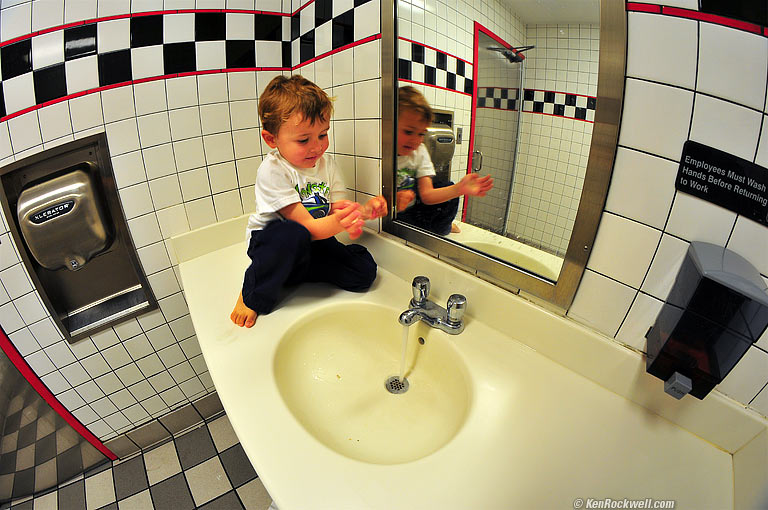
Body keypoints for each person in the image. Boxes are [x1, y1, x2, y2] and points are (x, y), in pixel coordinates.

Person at [230, 75, 388, 328]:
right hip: (273, 242)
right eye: (304, 140)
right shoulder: (273, 170)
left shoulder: (328, 165)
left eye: (323, 135)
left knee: (363, 274)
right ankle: (253, 289)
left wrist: (363, 212)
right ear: (272, 140)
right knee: (292, 234)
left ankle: (296, 271)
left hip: (314, 240)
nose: (317, 147)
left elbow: (338, 209)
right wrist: (341, 221)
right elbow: (306, 227)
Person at [395, 86, 493, 235]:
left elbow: (427, 195)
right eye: (408, 131)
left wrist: (459, 189)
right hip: (390, 214)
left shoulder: (419, 151)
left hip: (412, 211)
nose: (415, 140)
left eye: (421, 134)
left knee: (447, 189)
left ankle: (443, 229)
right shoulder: (379, 150)